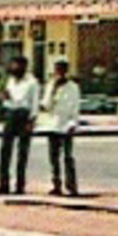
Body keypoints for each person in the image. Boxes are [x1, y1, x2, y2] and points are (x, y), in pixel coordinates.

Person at [0, 56, 40, 195]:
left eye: (17, 66)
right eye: (13, 65)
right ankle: (3, 184)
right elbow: (8, 102)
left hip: (24, 115)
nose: (14, 68)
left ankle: (20, 186)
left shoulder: (32, 83)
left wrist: (32, 121)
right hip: (11, 114)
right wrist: (5, 99)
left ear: (24, 67)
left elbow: (34, 103)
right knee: (5, 151)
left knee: (22, 153)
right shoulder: (10, 81)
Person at [41, 58, 81, 196]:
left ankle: (71, 186)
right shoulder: (51, 85)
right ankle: (56, 184)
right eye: (57, 69)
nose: (59, 72)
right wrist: (52, 91)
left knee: (68, 157)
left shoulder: (73, 87)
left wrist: (73, 123)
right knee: (53, 157)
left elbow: (75, 107)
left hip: (66, 125)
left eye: (61, 69)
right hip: (53, 124)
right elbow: (46, 105)